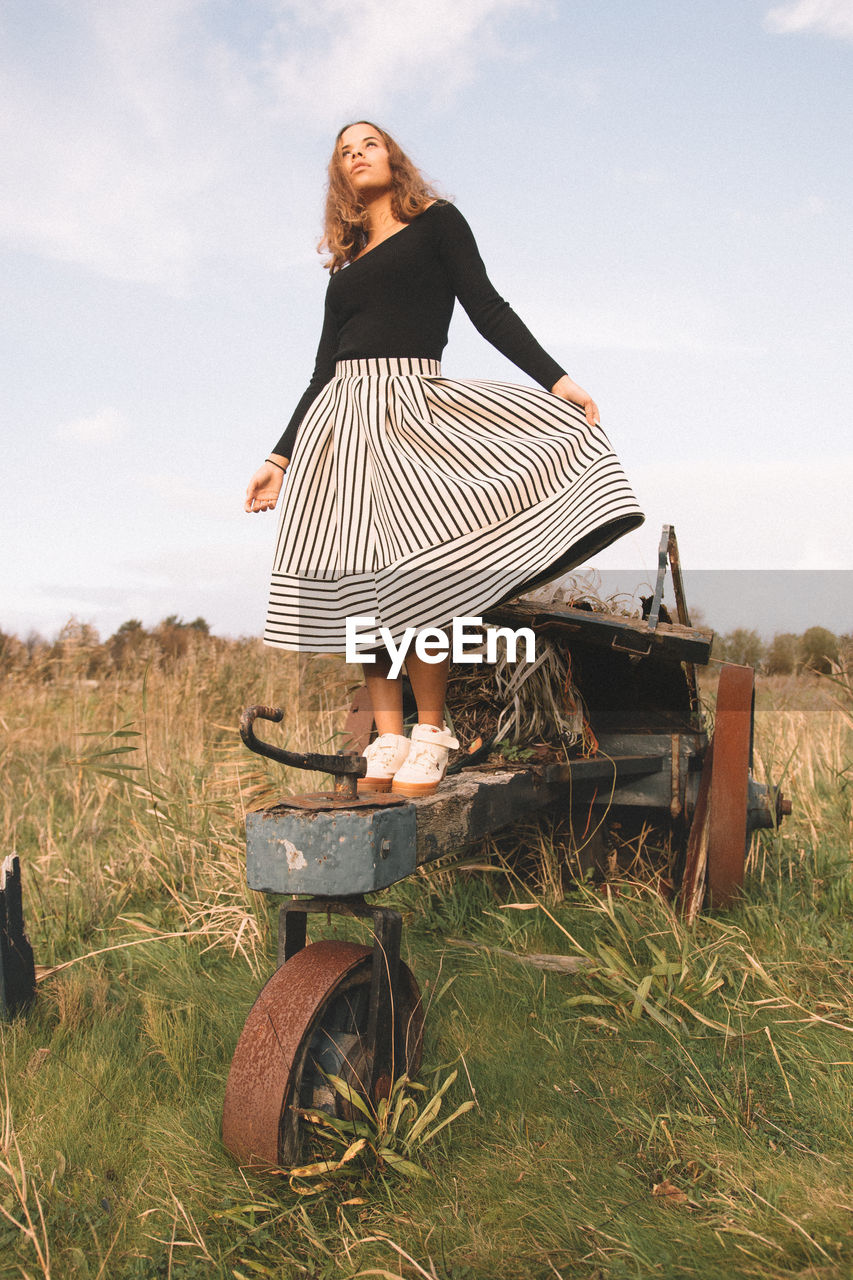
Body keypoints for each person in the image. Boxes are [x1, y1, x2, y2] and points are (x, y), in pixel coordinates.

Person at [245, 122, 643, 797]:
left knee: (415, 573)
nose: (355, 155)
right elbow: (320, 371)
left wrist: (556, 380)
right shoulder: (344, 268)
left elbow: (486, 307)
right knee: (358, 579)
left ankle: (432, 730)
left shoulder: (436, 223)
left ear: (391, 157)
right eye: (343, 152)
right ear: (338, 177)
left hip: (411, 407)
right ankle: (389, 734)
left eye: (367, 144)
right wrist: (279, 456)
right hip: (342, 423)